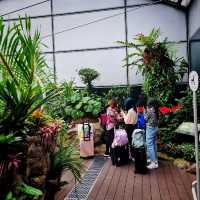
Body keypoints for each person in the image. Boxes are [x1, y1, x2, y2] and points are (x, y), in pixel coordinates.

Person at [145, 98, 159, 169]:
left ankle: (153, 162)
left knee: (149, 145)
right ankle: (155, 160)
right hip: (155, 128)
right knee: (154, 144)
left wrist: (146, 111)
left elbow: (145, 118)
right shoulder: (156, 109)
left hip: (150, 128)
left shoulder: (150, 110)